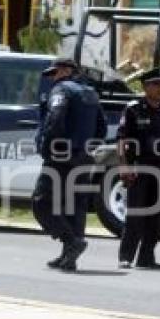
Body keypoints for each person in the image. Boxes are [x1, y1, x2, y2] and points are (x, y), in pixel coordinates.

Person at [33, 57, 107, 272]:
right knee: (75, 206)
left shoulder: (62, 90)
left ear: (66, 71)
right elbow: (101, 128)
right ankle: (69, 257)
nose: (53, 78)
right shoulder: (90, 93)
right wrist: (87, 148)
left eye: (54, 73)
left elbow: (55, 118)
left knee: (42, 202)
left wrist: (48, 147)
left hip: (60, 157)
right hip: (83, 157)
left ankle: (72, 242)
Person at [116, 68, 160, 270]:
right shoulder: (133, 109)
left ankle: (146, 257)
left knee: (157, 216)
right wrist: (123, 166)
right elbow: (121, 139)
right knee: (136, 214)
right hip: (139, 168)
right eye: (155, 84)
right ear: (145, 87)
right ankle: (126, 257)